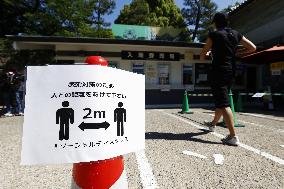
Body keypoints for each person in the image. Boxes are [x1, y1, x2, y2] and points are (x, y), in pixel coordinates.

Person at [200, 12, 256, 146]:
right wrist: (237, 53)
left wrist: (208, 54)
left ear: (215, 23)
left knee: (224, 103)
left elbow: (202, 55)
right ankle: (213, 124)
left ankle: (232, 136)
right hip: (231, 70)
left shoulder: (214, 34)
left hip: (218, 71)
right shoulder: (235, 34)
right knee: (221, 98)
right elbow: (253, 48)